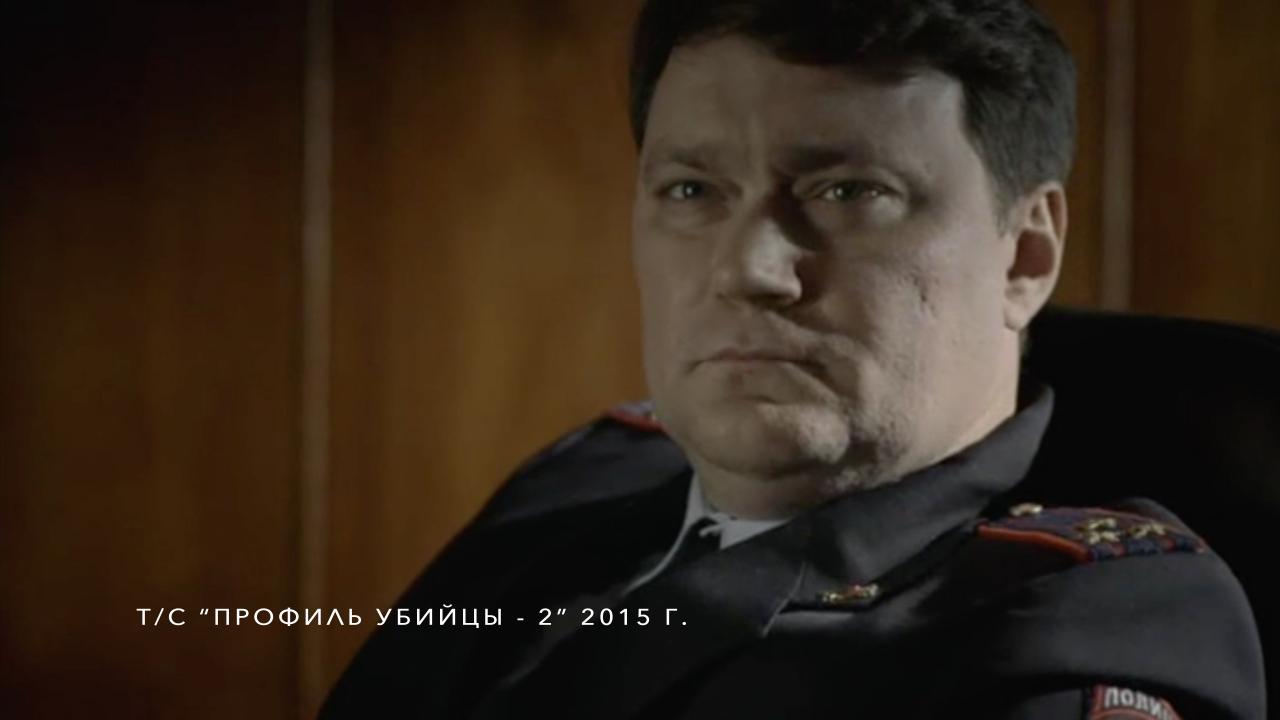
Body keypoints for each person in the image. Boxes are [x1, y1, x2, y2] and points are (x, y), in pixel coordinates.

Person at [321, 1, 1266, 717]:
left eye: (849, 191)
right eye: (692, 189)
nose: (748, 268)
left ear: (1024, 254)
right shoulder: (589, 473)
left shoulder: (1085, 619)